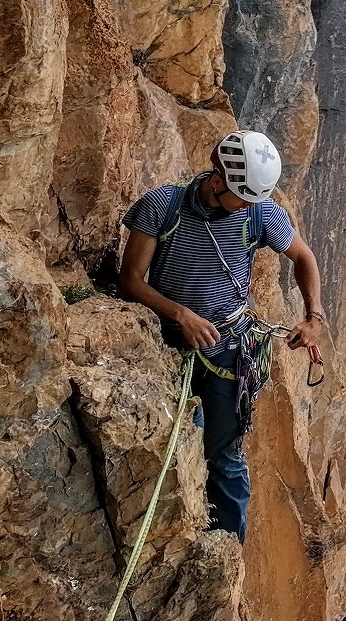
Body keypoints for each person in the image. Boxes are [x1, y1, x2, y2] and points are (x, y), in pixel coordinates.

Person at [117, 130, 326, 540]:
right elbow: (129, 281)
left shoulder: (260, 213)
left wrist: (312, 315)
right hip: (167, 343)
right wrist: (181, 314)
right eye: (243, 198)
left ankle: (228, 543)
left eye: (254, 199)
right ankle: (173, 533)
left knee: (226, 456)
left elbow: (303, 256)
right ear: (217, 182)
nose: (250, 206)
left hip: (229, 349)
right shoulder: (162, 206)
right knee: (178, 445)